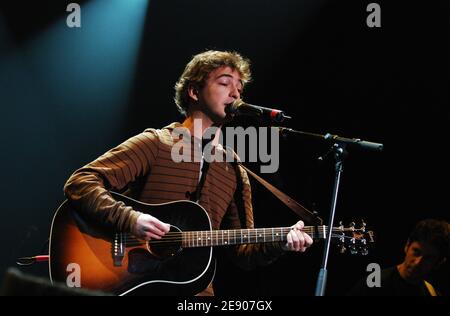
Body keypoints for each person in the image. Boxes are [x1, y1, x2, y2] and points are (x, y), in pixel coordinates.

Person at [63, 50, 313, 296]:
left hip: (196, 293)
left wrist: (281, 242)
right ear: (194, 92)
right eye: (225, 82)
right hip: (132, 282)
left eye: (239, 87)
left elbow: (243, 252)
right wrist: (131, 220)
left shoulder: (234, 169)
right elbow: (81, 182)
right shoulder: (157, 143)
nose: (235, 93)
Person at [348, 218, 449, 296]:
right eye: (416, 252)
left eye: (428, 258)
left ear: (439, 262)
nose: (418, 262)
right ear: (407, 245)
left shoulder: (431, 293)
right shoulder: (374, 284)